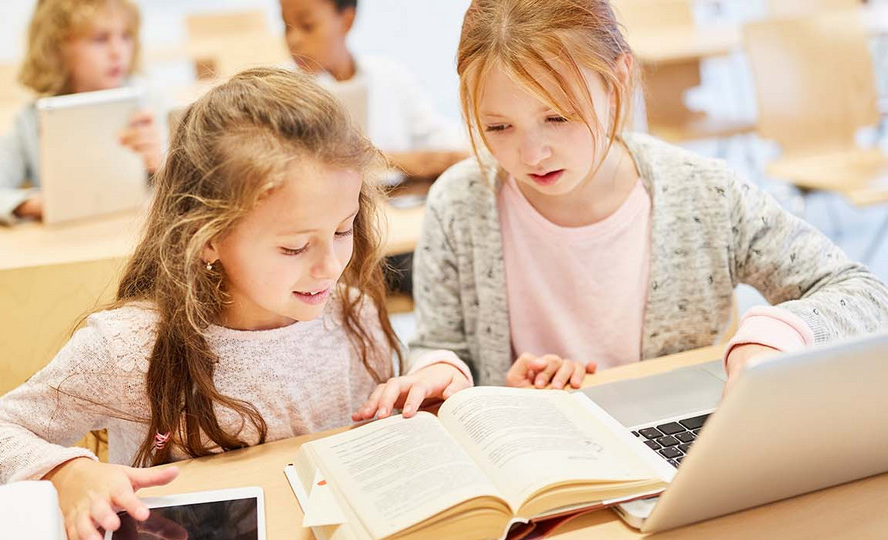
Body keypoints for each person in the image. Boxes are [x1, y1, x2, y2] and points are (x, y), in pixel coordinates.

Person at [355, 0, 888, 421]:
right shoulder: (459, 203)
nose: (531, 153)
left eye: (558, 118)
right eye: (498, 127)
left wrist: (772, 335)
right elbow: (439, 345)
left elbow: (864, 293)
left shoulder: (703, 195)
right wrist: (445, 372)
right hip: (540, 464)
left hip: (682, 447)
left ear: (618, 80)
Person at [0, 68, 407, 540]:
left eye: (344, 230)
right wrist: (67, 473)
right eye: (295, 246)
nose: (331, 264)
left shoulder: (352, 311)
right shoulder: (129, 347)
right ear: (208, 238)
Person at [0, 0, 164, 223]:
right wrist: (35, 204)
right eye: (100, 39)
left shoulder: (148, 106)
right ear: (58, 49)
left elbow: (196, 193)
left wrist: (162, 165)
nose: (118, 51)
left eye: (126, 36)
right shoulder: (33, 121)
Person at [279, 0, 468, 178]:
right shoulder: (282, 90)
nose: (293, 40)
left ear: (347, 20)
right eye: (286, 26)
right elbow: (297, 162)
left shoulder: (390, 76)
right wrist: (397, 161)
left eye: (307, 25)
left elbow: (437, 136)